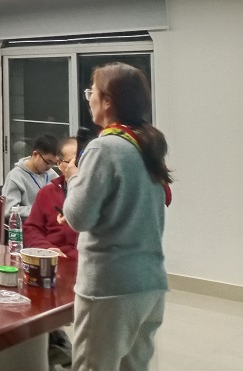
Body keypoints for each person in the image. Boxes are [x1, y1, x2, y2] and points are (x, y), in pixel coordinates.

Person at [60, 63, 171, 371]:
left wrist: (73, 177)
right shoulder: (145, 145)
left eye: (92, 93)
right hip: (150, 283)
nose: (89, 99)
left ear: (108, 100)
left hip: (110, 287)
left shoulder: (104, 147)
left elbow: (78, 217)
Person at [24, 137, 80, 259]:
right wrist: (46, 249)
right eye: (73, 163)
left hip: (84, 261)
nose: (78, 168)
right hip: (51, 258)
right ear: (59, 164)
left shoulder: (96, 194)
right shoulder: (46, 193)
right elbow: (31, 229)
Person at [1, 133, 59, 220]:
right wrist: (40, 210)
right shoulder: (15, 177)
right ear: (35, 154)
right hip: (29, 224)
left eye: (53, 164)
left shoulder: (51, 174)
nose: (49, 167)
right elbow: (8, 210)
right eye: (48, 162)